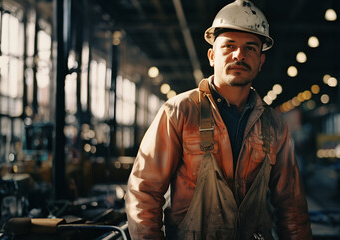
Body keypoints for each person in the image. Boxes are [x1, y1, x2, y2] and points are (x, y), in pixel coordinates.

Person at [125, 0, 312, 239]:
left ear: (261, 61)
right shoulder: (179, 112)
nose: (239, 55)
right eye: (229, 46)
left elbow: (292, 208)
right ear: (212, 56)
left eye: (251, 48)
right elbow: (144, 192)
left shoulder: (274, 126)